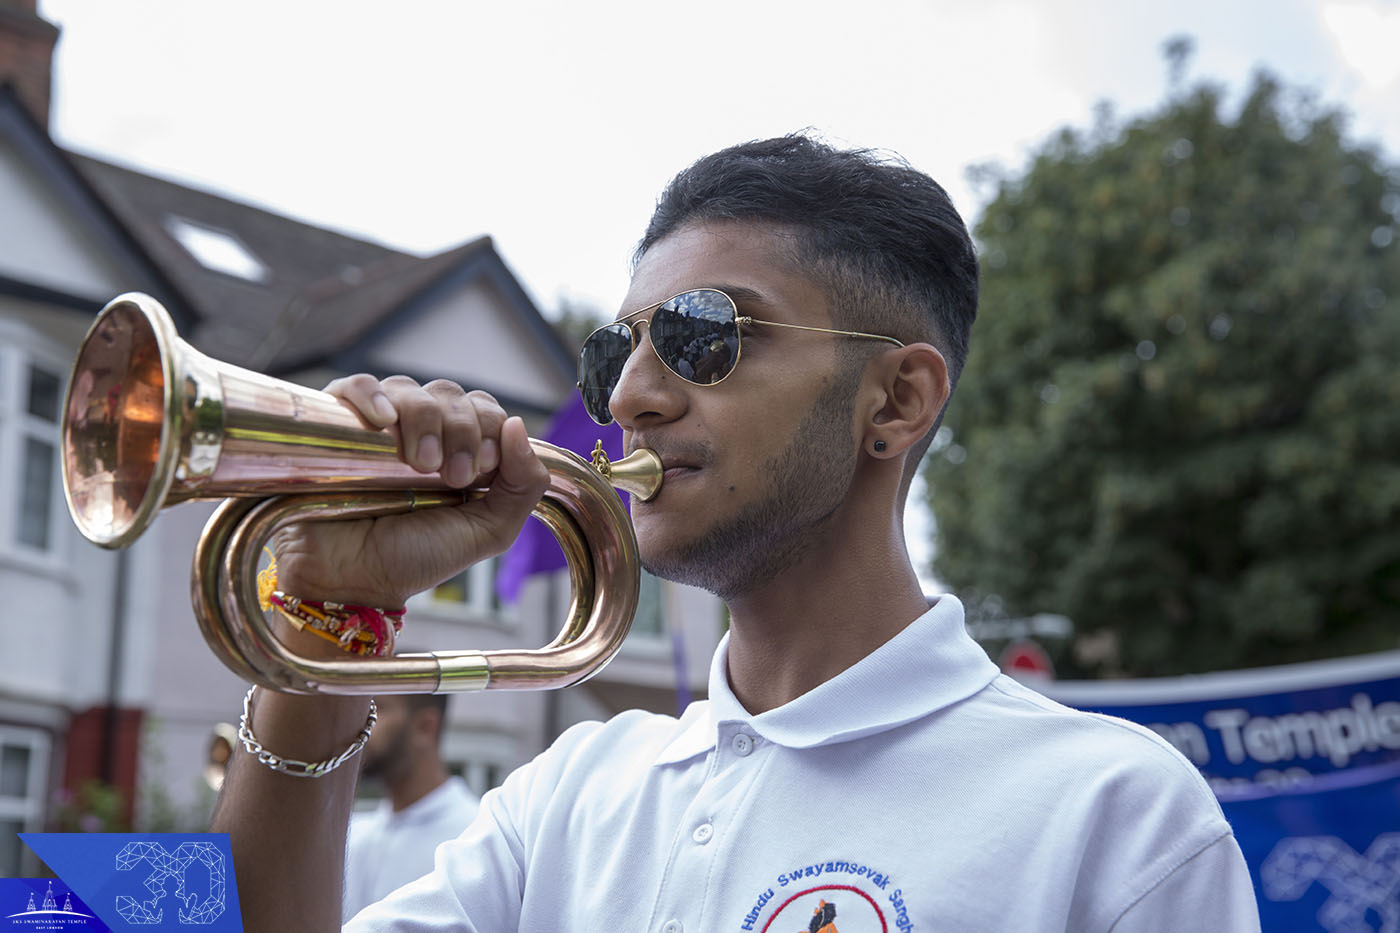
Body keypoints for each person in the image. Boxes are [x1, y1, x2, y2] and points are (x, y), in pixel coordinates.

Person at [212, 134, 1261, 931]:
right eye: (610, 353)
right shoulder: (567, 801)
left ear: (896, 401)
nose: (626, 396)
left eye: (702, 335)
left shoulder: (1113, 815)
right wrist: (328, 619)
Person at [341, 693, 479, 920]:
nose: (360, 724)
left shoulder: (473, 837)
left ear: (425, 727)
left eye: (377, 710)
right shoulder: (354, 836)